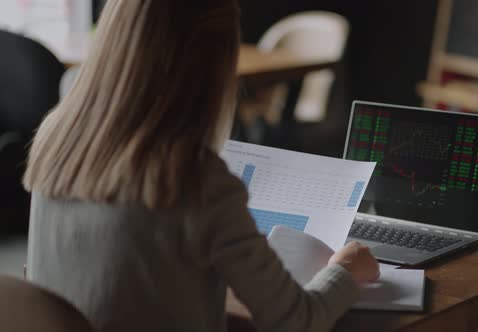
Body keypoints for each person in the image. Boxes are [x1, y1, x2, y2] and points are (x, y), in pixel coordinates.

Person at [23, 1, 380, 331]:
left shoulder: (57, 136)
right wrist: (345, 270)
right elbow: (296, 321)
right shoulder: (196, 179)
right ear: (215, 64)